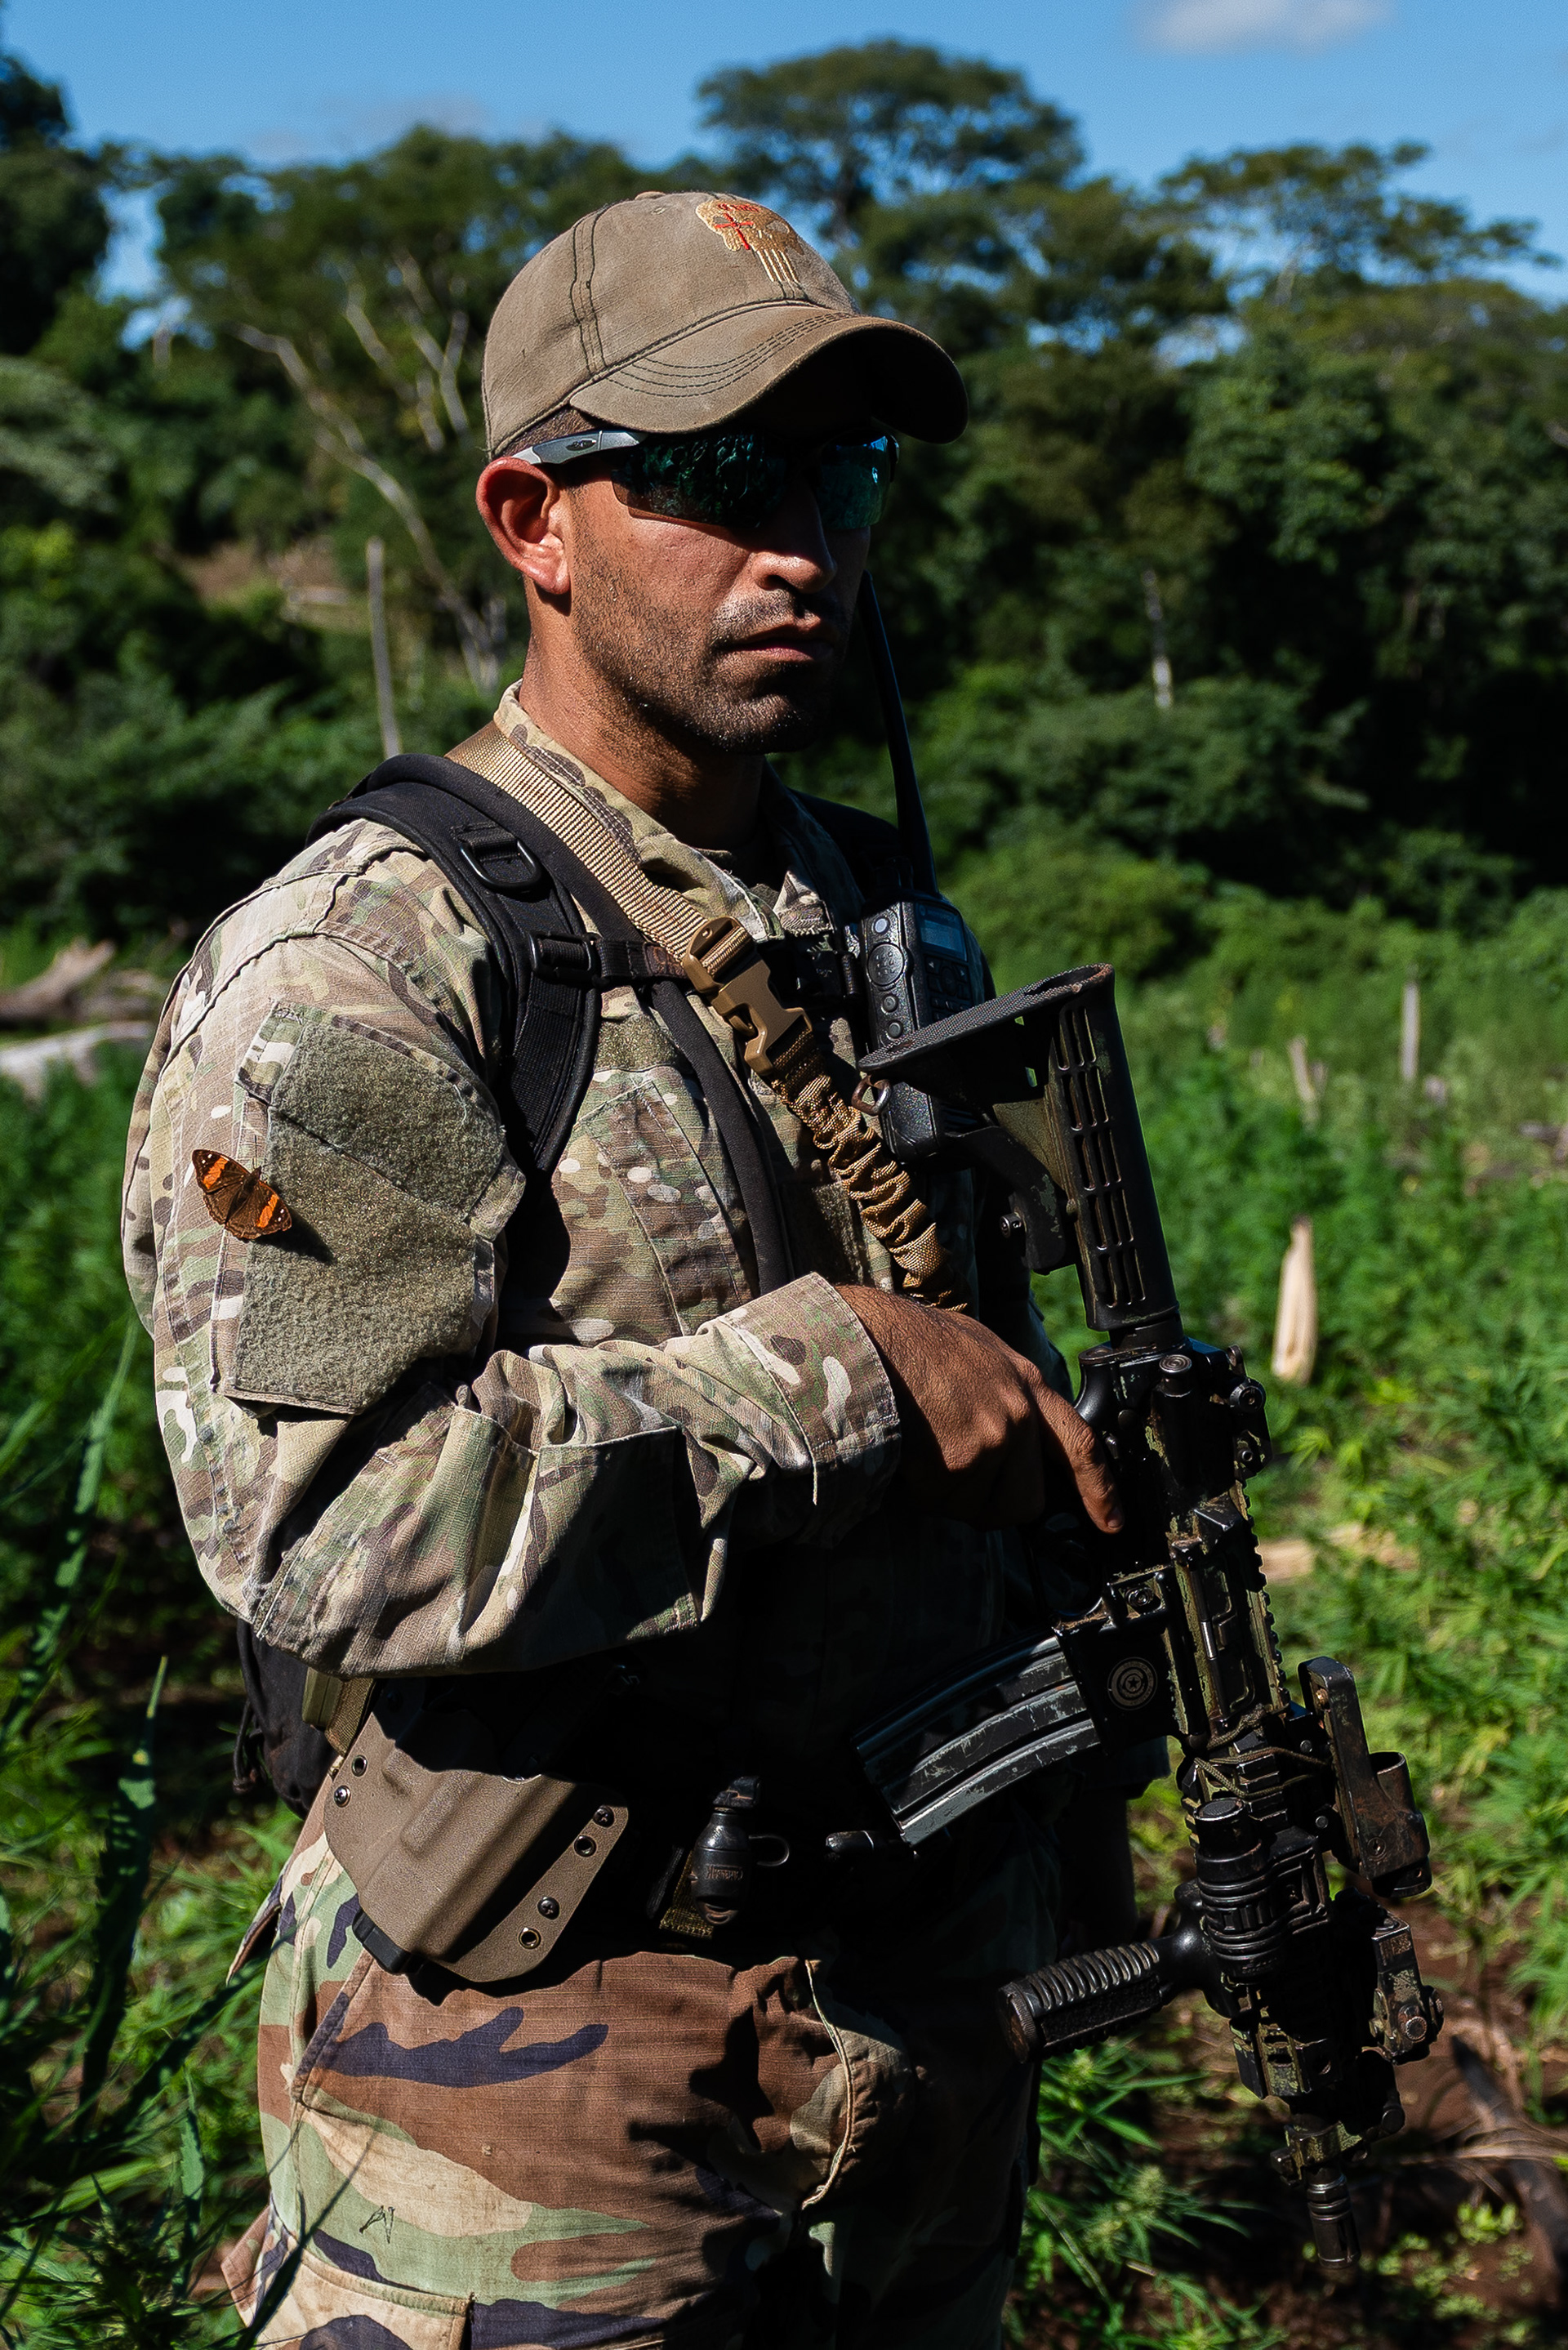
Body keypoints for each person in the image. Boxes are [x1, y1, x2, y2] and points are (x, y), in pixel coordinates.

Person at [122, 189, 1131, 2350]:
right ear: (534, 518)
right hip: (534, 2082)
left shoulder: (886, 934)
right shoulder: (363, 966)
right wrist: (830, 1375)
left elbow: (996, 1402)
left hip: (908, 2004)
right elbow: (322, 1523)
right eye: (711, 476)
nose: (800, 546)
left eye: (840, 475)